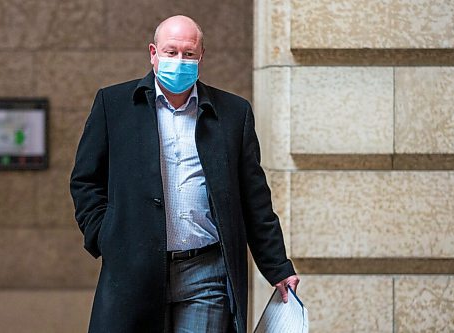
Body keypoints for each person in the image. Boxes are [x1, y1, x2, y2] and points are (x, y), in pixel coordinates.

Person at [70, 15, 299, 333]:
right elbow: (85, 180)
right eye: (171, 51)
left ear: (201, 56)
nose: (179, 60)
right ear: (153, 53)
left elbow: (254, 196)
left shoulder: (233, 113)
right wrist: (106, 235)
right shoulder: (114, 105)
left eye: (188, 54)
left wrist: (278, 265)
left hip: (207, 271)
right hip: (134, 268)